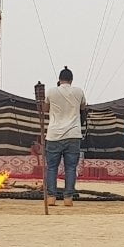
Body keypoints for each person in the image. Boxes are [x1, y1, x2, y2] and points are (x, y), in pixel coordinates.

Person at [43, 66, 87, 207]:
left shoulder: (51, 91)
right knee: (70, 168)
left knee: (51, 168)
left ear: (59, 80)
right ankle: (68, 198)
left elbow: (45, 109)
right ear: (71, 80)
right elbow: (83, 108)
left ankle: (51, 198)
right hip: (73, 134)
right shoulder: (78, 91)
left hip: (54, 134)